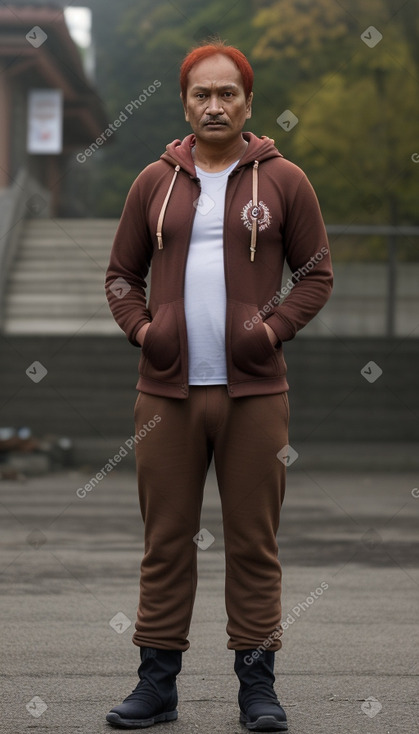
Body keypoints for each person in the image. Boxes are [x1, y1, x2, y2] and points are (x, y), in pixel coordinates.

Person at [105, 39, 333, 732]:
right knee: (165, 540)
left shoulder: (284, 179)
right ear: (184, 103)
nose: (213, 104)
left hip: (255, 395)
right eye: (201, 94)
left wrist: (267, 332)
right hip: (165, 396)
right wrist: (146, 332)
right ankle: (156, 685)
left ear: (247, 102)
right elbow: (120, 275)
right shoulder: (153, 181)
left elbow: (316, 274)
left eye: (226, 93)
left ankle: (256, 689)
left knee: (252, 542)